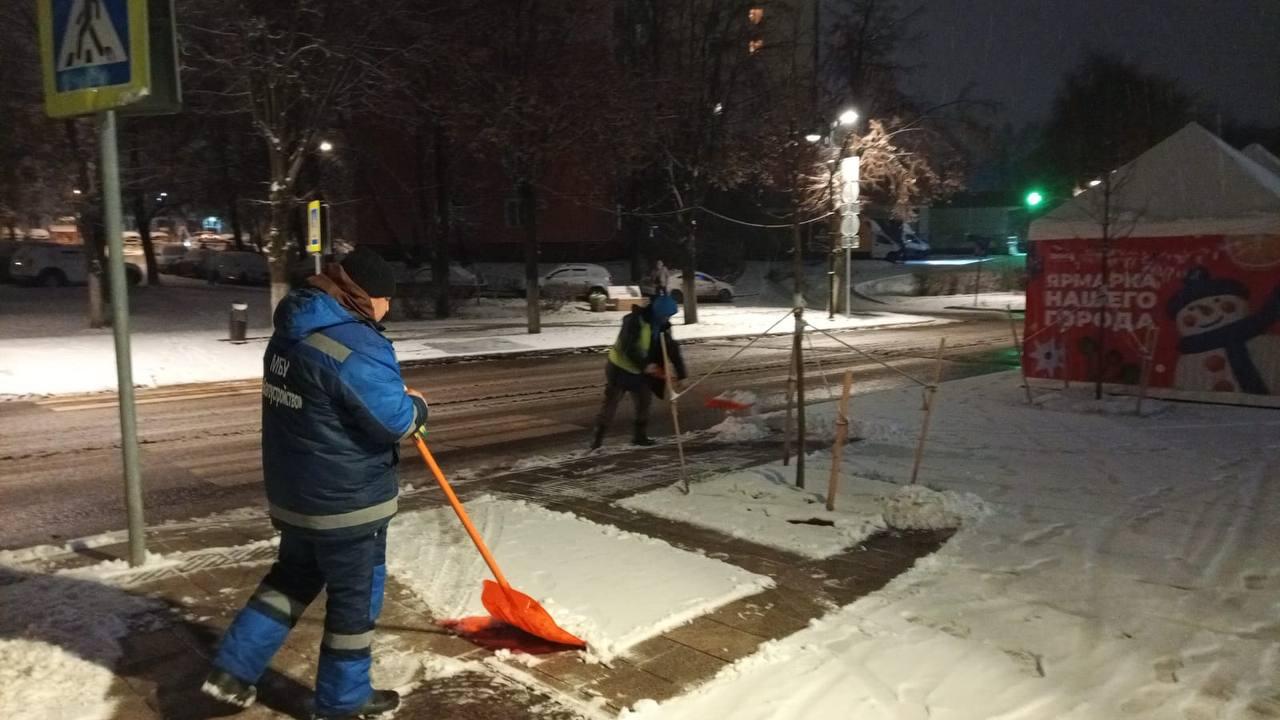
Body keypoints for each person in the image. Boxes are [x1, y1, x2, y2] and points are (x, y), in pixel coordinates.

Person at [201, 247, 427, 720]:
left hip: (296, 494)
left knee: (290, 578)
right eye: (387, 300)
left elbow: (329, 399)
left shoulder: (291, 330)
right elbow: (392, 421)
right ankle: (343, 702)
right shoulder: (355, 342)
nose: (388, 310)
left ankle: (230, 671)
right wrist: (418, 408)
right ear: (368, 296)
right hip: (348, 503)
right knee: (354, 603)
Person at [591, 294, 687, 449]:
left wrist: (682, 374)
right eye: (666, 315)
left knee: (644, 401)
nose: (667, 319)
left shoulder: (662, 326)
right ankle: (597, 439)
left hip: (640, 373)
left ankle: (639, 437)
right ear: (657, 312)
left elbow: (672, 349)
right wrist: (646, 365)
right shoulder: (634, 321)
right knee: (611, 403)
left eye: (670, 316)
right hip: (619, 369)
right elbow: (629, 348)